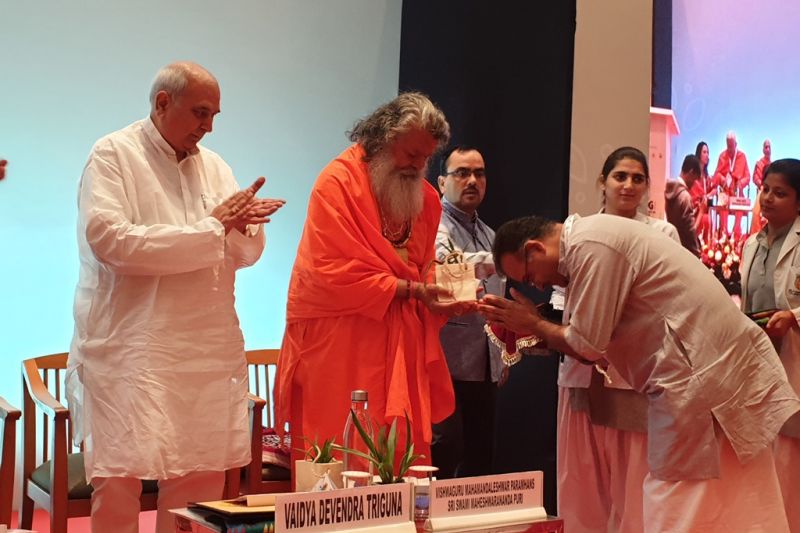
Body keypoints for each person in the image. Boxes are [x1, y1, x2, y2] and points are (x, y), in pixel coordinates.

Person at [66, 61, 285, 533]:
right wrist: (212, 227)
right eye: (200, 113)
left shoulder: (217, 167)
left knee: (199, 475)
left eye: (214, 116)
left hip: (201, 352)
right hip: (129, 349)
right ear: (163, 103)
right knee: (119, 478)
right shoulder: (113, 154)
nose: (209, 127)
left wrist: (242, 227)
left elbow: (243, 255)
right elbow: (112, 243)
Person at [479, 213, 799, 532]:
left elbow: (586, 345)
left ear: (535, 248)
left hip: (701, 376)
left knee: (678, 495)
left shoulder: (591, 246)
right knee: (735, 496)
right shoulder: (589, 241)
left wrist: (533, 324)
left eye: (530, 276)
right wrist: (537, 326)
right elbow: (590, 342)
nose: (537, 285)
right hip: (711, 370)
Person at [275, 93, 473, 473]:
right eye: (411, 154)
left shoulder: (425, 199)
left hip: (399, 345)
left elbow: (422, 266)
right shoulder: (337, 183)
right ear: (382, 139)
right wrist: (412, 290)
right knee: (338, 453)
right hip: (341, 345)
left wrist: (442, 294)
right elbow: (327, 271)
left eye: (425, 158)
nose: (417, 166)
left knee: (397, 462)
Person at [555, 146, 678, 533]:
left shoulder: (661, 233)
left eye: (637, 179)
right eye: (619, 176)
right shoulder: (577, 229)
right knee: (580, 481)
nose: (628, 185)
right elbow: (562, 292)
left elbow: (668, 301)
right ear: (602, 182)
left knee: (634, 481)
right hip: (583, 369)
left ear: (646, 187)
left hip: (634, 375)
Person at [431, 145, 504, 478]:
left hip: (484, 364)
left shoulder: (490, 235)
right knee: (445, 451)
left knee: (481, 456)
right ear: (441, 182)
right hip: (444, 361)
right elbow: (451, 267)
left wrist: (501, 355)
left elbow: (496, 301)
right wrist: (504, 258)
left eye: (479, 173)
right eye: (462, 173)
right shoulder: (433, 226)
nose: (472, 180)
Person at [740, 158, 800, 530]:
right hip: (760, 364)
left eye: (780, 193)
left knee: (791, 464)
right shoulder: (751, 244)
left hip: (794, 362)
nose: (768, 198)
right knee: (764, 463)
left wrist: (793, 316)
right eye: (765, 190)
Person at [712, 131, 751, 239]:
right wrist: (721, 178)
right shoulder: (722, 156)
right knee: (723, 200)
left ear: (736, 144)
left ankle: (736, 235)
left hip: (737, 193)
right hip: (725, 192)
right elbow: (716, 175)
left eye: (731, 146)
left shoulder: (742, 156)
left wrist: (741, 182)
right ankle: (724, 235)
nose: (729, 149)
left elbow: (748, 177)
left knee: (739, 204)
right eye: (728, 146)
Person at [665, 154, 702, 256]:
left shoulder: (670, 189)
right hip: (685, 251)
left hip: (674, 244)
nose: (694, 184)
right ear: (691, 172)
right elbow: (690, 231)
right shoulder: (685, 197)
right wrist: (701, 212)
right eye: (694, 180)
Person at [692, 141, 713, 242]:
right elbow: (695, 196)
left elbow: (709, 192)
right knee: (706, 219)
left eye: (708, 152)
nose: (707, 155)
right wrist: (705, 196)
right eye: (704, 152)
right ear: (698, 154)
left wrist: (712, 193)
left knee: (708, 218)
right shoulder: (694, 175)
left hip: (705, 211)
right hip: (696, 212)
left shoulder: (707, 176)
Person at [750, 139, 772, 234]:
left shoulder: (773, 165)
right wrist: (763, 185)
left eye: (769, 147)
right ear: (763, 149)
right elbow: (755, 178)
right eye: (766, 147)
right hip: (761, 191)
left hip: (771, 193)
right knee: (756, 213)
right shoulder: (758, 164)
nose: (768, 149)